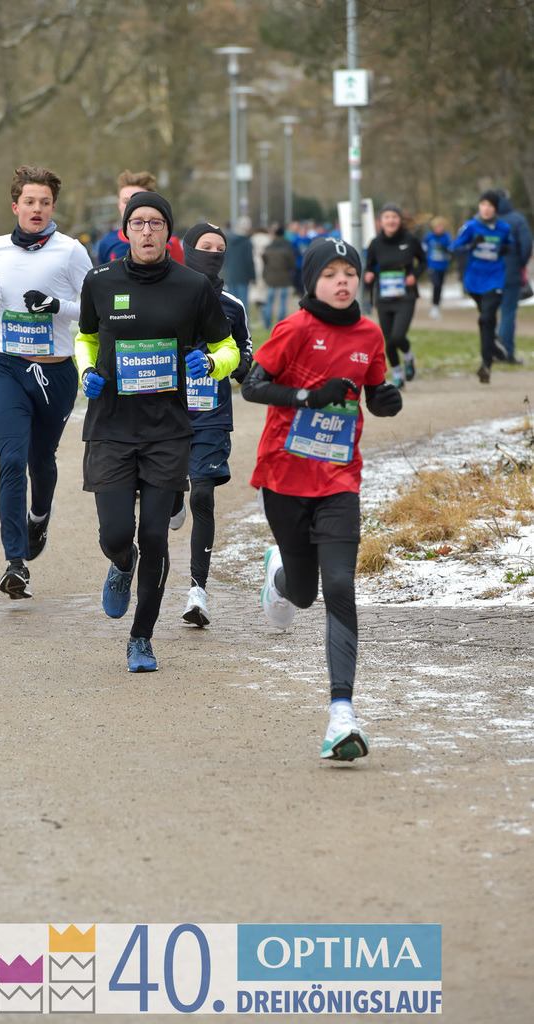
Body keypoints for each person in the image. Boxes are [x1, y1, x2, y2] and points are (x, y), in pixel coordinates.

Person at [241, 236, 402, 762]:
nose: (342, 282)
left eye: (350, 274)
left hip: (338, 479)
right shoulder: (294, 329)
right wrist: (308, 395)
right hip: (285, 477)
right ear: (312, 281)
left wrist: (385, 399)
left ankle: (341, 715)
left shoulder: (369, 333)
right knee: (305, 592)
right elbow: (253, 386)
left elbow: (374, 389)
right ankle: (280, 576)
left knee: (338, 585)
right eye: (331, 273)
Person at [75, 192, 239, 673]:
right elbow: (85, 337)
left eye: (157, 223)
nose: (147, 231)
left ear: (169, 232)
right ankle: (120, 564)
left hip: (168, 429)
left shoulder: (193, 286)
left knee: (155, 535)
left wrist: (209, 362)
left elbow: (227, 347)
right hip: (110, 426)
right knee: (116, 534)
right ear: (126, 231)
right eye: (138, 223)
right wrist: (87, 371)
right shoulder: (100, 281)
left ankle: (141, 637)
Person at [0, 165, 93, 598]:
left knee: (40, 459)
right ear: (15, 206)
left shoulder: (70, 252)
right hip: (7, 367)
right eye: (30, 201)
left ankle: (39, 516)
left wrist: (54, 305)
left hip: (55, 373)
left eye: (45, 202)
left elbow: (93, 309)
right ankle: (15, 562)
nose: (37, 209)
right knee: (11, 460)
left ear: (52, 208)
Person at [169, 221, 253, 627]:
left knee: (201, 496)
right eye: (206, 246)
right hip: (164, 414)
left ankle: (197, 594)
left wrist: (240, 366)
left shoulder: (234, 306)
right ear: (188, 249)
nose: (214, 254)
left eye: (220, 248)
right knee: (166, 497)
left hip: (212, 416)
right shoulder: (165, 293)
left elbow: (244, 358)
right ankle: (170, 499)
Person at [450, 190, 512, 384]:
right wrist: (470, 246)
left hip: (495, 279)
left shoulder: (503, 228)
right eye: (483, 204)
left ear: (496, 209)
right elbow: (454, 248)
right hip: (474, 280)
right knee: (486, 320)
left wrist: (506, 249)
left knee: (486, 317)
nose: (486, 208)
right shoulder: (471, 226)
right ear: (479, 206)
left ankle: (486, 363)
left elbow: (510, 244)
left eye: (490, 205)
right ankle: (493, 345)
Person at [364, 203, 427, 388]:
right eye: (387, 217)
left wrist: (414, 275)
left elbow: (423, 262)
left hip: (405, 296)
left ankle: (408, 357)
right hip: (383, 296)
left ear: (400, 220)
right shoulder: (375, 243)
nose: (391, 220)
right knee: (388, 340)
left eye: (394, 217)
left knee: (398, 336)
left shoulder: (410, 240)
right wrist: (369, 274)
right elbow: (369, 266)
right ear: (381, 221)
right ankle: (398, 374)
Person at [96, 169, 184, 265]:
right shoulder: (107, 242)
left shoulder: (171, 242)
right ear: (118, 204)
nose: (131, 206)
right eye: (126, 201)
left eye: (137, 201)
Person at [495, 189, 532, 364]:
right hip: (511, 273)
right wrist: (519, 264)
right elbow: (526, 246)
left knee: (489, 313)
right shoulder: (517, 220)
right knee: (508, 313)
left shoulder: (483, 221)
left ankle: (492, 352)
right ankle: (506, 352)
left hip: (488, 274)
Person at [262, 224, 297, 329]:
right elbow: (292, 264)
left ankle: (267, 325)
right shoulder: (288, 247)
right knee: (282, 301)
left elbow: (265, 261)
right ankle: (279, 324)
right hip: (284, 278)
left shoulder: (268, 247)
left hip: (271, 277)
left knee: (269, 300)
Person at [222, 215, 255, 312]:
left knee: (231, 302)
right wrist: (253, 276)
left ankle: (232, 325)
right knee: (243, 303)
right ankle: (244, 325)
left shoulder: (229, 240)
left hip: (231, 275)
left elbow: (226, 257)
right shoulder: (247, 242)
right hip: (243, 276)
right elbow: (249, 260)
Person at [423, 216, 453, 319]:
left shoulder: (447, 237)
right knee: (436, 284)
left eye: (441, 226)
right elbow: (423, 247)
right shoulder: (429, 236)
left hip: (443, 266)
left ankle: (437, 305)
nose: (439, 229)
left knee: (440, 286)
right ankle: (434, 307)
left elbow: (451, 249)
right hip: (432, 265)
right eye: (437, 226)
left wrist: (444, 248)